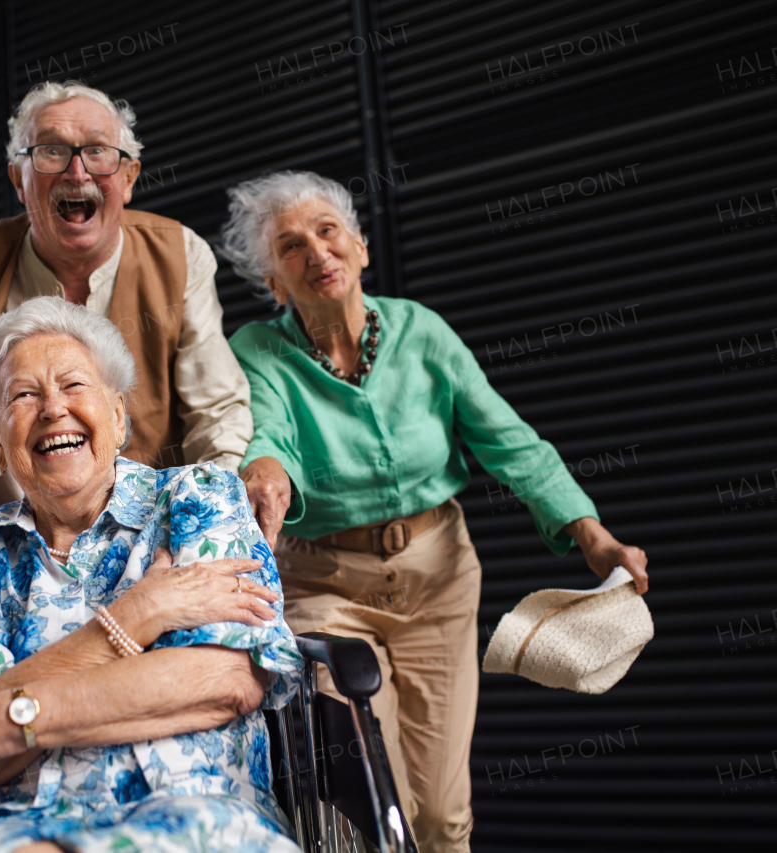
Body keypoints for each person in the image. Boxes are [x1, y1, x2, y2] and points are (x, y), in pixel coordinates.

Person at [220, 171, 650, 853]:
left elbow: (507, 439)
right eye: (291, 247)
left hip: (438, 579)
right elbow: (269, 435)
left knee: (442, 814)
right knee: (369, 795)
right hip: (324, 583)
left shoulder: (424, 332)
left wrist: (589, 533)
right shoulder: (257, 350)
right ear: (275, 283)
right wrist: (266, 469)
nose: (317, 253)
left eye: (327, 232)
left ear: (360, 246)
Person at [0, 296, 303, 853]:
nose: (53, 408)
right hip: (17, 825)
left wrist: (11, 717)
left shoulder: (200, 498)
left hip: (202, 809)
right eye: (24, 395)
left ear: (119, 414)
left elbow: (223, 683)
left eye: (74, 385)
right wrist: (140, 613)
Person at [0, 80, 292, 597]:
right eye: (51, 151)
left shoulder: (180, 254)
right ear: (18, 178)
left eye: (98, 151)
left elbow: (219, 416)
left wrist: (203, 518)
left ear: (130, 175)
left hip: (148, 556)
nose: (78, 172)